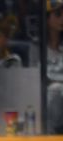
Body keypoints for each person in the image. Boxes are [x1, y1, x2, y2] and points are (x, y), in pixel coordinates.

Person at [47, 0, 63, 133]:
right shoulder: (36, 48)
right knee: (55, 89)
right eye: (58, 14)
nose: (62, 19)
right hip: (47, 100)